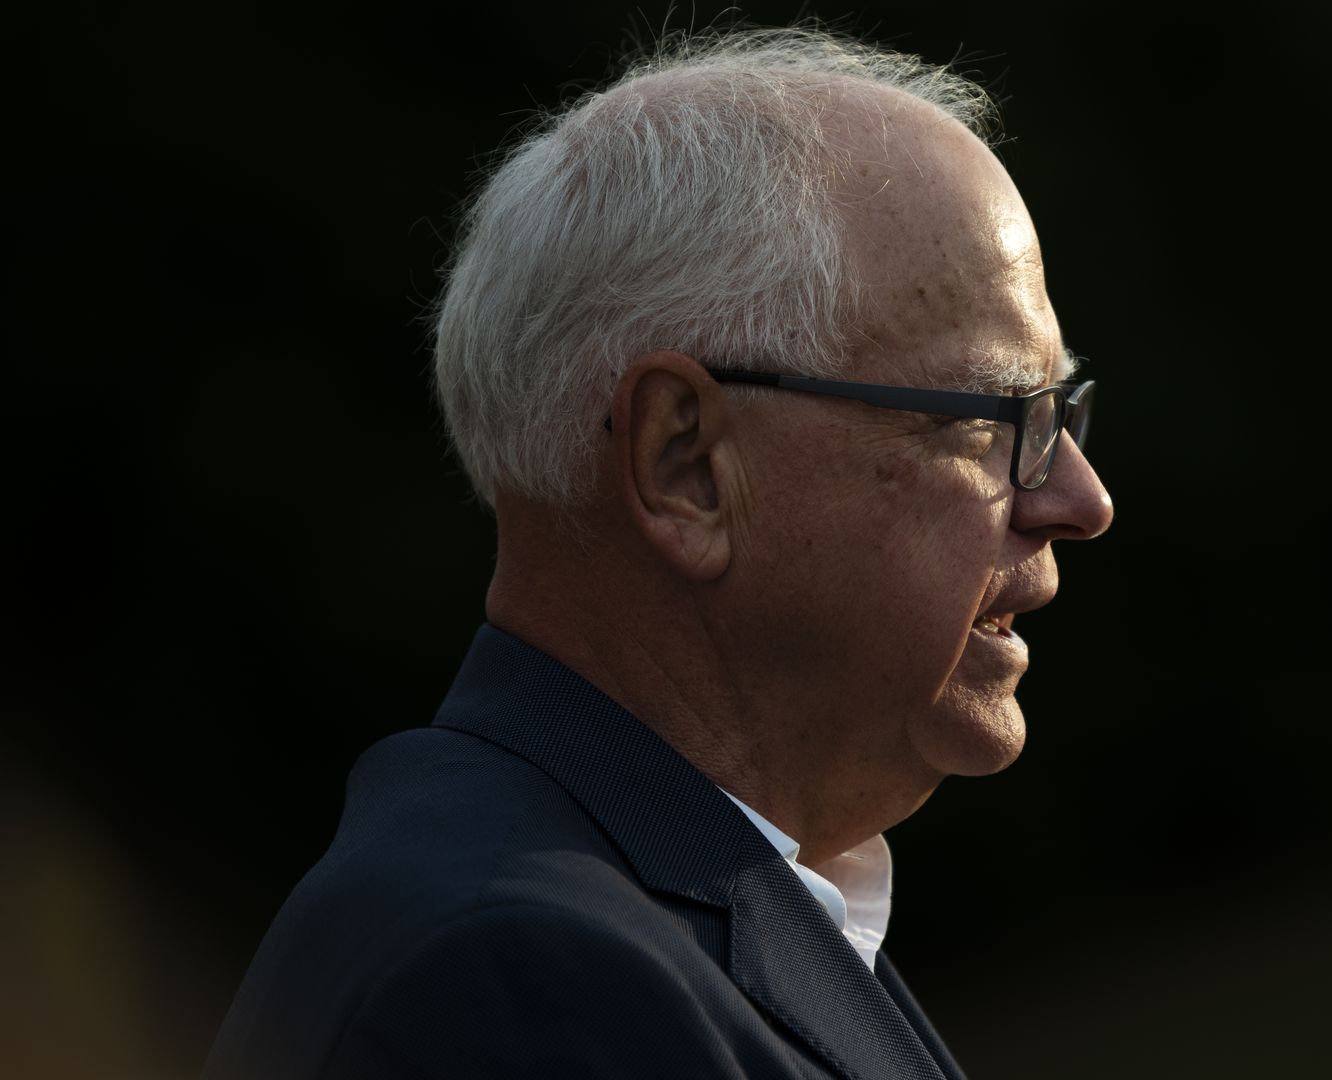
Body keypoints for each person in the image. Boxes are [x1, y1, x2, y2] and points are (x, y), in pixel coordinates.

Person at [204, 25, 1112, 1080]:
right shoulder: (516, 975)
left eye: (1060, 413)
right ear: (685, 466)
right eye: (995, 413)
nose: (1076, 498)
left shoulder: (666, 902)